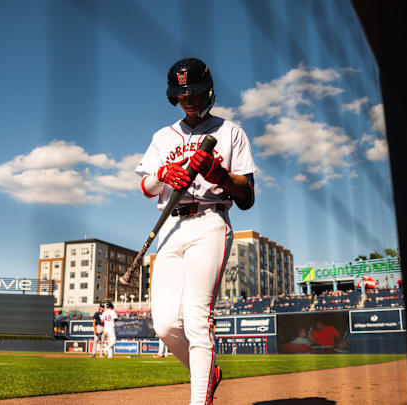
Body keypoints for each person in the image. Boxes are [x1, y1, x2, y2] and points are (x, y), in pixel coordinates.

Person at [135, 57, 256, 405]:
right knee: (166, 326)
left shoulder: (230, 131)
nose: (188, 98)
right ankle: (208, 373)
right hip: (170, 226)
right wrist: (162, 175)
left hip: (209, 221)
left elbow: (246, 196)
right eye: (182, 93)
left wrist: (219, 176)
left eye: (195, 92)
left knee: (197, 318)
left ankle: (198, 400)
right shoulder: (163, 136)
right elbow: (145, 187)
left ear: (209, 90)